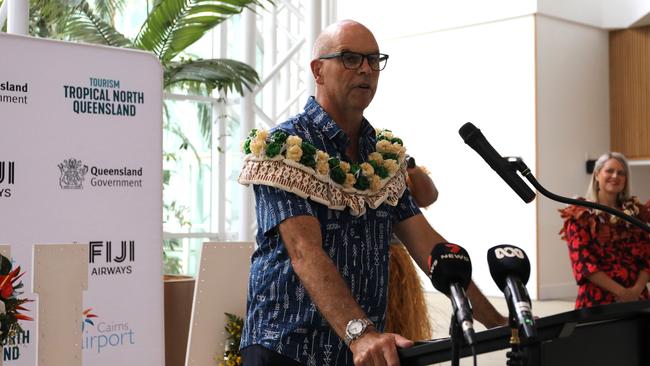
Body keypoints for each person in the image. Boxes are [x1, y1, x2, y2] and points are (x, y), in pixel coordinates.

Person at [238, 20, 505, 366]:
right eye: (350, 58)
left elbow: (427, 244)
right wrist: (361, 334)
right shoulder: (282, 148)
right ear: (318, 71)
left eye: (373, 59)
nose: (365, 69)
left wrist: (498, 322)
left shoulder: (383, 158)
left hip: (359, 354)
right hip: (286, 348)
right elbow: (305, 251)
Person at [559, 152, 650, 309]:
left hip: (637, 299)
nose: (615, 176)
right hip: (597, 301)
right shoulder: (580, 214)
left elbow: (647, 256)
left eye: (621, 173)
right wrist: (622, 292)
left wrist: (635, 291)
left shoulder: (636, 213)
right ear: (596, 175)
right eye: (609, 171)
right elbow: (584, 264)